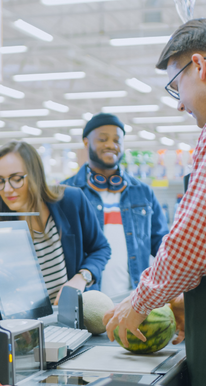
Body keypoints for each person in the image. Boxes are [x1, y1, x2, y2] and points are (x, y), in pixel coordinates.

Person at [103, 18, 206, 386]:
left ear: (200, 66)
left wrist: (141, 302)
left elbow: (195, 240)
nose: (179, 105)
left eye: (175, 86)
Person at [0, 141, 111, 304]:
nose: (7, 189)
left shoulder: (71, 201)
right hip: (26, 323)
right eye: (0, 181)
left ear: (35, 175)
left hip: (73, 317)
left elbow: (101, 248)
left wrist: (81, 277)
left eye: (16, 178)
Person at [62, 113, 168, 298]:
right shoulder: (67, 192)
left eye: (117, 140)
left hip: (135, 299)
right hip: (88, 300)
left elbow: (161, 244)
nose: (111, 145)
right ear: (86, 143)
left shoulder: (142, 192)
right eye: (103, 139)